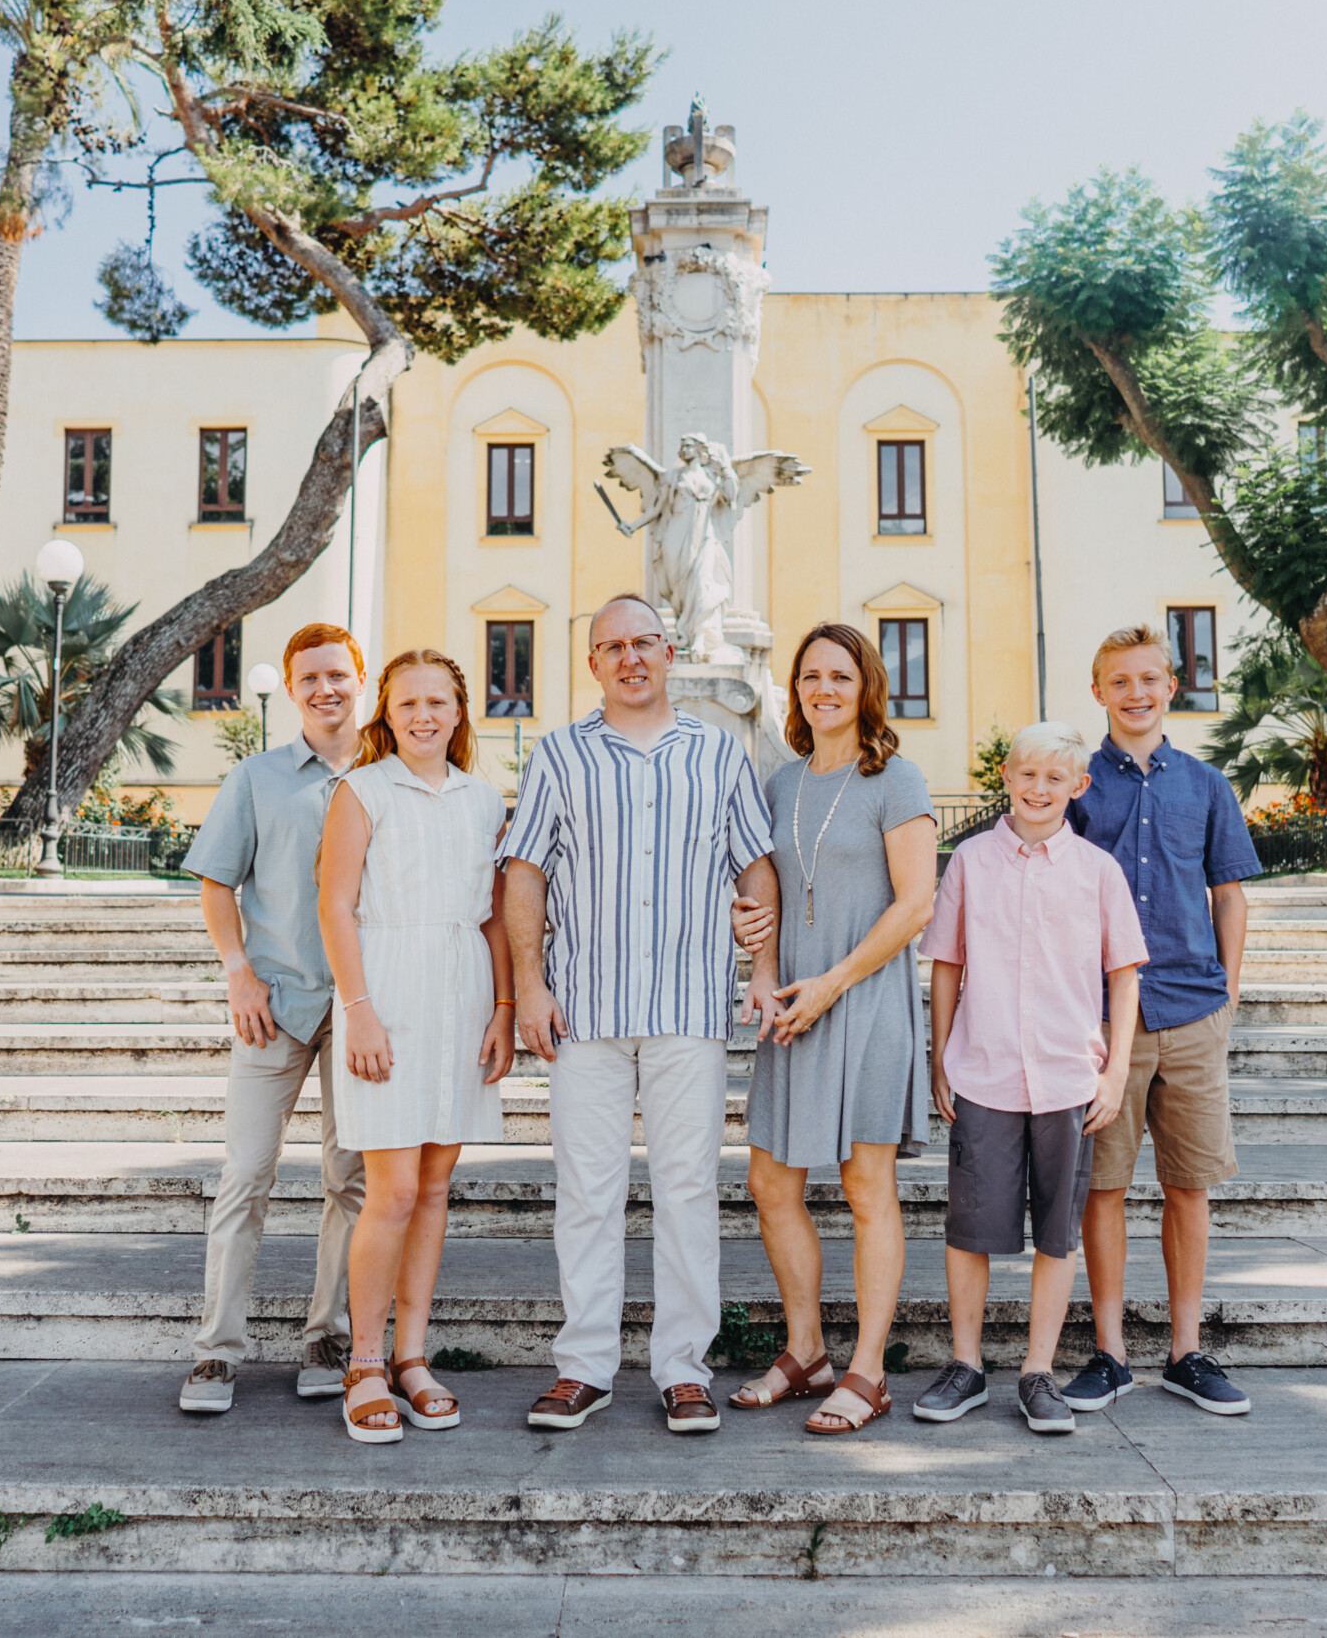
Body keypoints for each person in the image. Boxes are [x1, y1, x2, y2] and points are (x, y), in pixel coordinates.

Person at [499, 593, 778, 1435]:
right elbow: (524, 872)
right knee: (587, 1190)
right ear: (593, 664)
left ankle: (683, 1370)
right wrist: (530, 982)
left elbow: (756, 863)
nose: (630, 658)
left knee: (688, 1189)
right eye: (612, 646)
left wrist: (761, 965)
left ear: (668, 652)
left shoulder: (720, 754)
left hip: (688, 1008)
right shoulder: (559, 755)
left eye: (644, 642)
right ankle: (583, 1367)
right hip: (584, 1007)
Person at [723, 624, 937, 1435]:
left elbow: (915, 903)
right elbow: (764, 893)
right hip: (793, 1008)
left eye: (839, 675)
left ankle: (869, 1370)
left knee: (863, 1185)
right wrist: (767, 970)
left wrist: (834, 984)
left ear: (865, 685)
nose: (824, 688)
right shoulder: (779, 785)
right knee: (772, 1184)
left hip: (867, 1003)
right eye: (810, 676)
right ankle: (806, 1349)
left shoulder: (897, 778)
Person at [910, 721, 1146, 1436]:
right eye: (1027, 774)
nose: (1039, 789)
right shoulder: (972, 863)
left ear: (1079, 786)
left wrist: (1116, 1072)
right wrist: (940, 1055)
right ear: (1006, 777)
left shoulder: (1099, 871)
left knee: (1056, 1232)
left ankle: (1038, 1370)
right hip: (983, 1073)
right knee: (970, 1229)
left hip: (1070, 1078)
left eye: (1055, 778)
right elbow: (947, 962)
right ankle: (967, 1364)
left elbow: (1123, 976)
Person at [315, 648, 513, 1443]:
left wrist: (501, 1006)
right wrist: (358, 1010)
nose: (424, 715)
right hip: (385, 994)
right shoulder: (361, 790)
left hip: (461, 999)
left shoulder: (484, 799)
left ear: (461, 712)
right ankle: (362, 1362)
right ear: (386, 715)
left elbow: (495, 913)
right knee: (390, 1190)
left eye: (438, 701)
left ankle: (411, 1356)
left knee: (433, 1189)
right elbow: (335, 906)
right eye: (407, 704)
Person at [1063, 623, 1260, 1418]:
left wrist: (1229, 992)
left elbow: (1231, 893)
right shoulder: (1078, 789)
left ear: (1170, 686)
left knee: (1189, 1184)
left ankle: (1186, 1350)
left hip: (1192, 1009)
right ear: (1098, 690)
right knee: (1101, 1187)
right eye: (1120, 681)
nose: (1136, 694)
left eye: (1149, 679)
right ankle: (1110, 1353)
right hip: (1102, 1023)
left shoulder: (1207, 785)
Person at [177, 624, 368, 1416]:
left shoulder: (389, 774)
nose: (325, 689)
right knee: (246, 1176)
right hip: (277, 1004)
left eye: (338, 675)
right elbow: (217, 882)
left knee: (348, 1180)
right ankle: (216, 1352)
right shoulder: (256, 778)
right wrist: (237, 972)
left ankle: (330, 1336)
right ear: (291, 691)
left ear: (362, 680)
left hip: (361, 1010)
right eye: (309, 679)